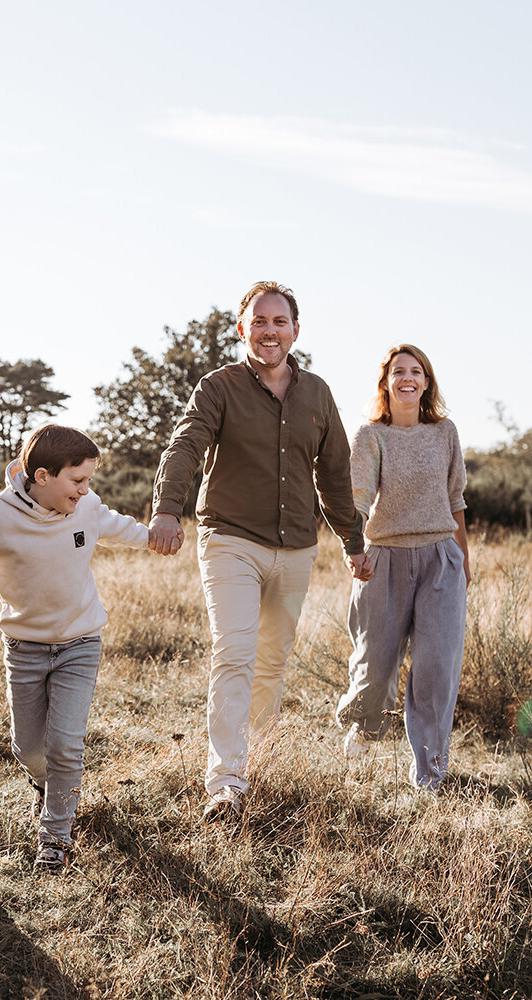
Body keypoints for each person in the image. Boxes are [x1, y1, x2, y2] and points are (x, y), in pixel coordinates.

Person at [148, 280, 369, 824]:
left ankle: (258, 762)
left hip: (295, 546)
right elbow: (186, 445)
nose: (270, 331)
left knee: (272, 660)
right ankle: (225, 781)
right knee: (235, 652)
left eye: (281, 322)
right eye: (260, 321)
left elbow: (335, 473)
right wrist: (165, 508)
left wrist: (354, 541)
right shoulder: (218, 387)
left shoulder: (317, 393)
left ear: (296, 330)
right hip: (230, 538)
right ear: (242, 328)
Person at [0, 425, 159, 873]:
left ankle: (55, 838)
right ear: (40, 476)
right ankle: (48, 787)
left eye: (89, 480)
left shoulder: (86, 507)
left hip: (80, 644)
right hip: (25, 648)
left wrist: (153, 536)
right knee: (28, 749)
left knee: (66, 746)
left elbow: (116, 526)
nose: (86, 490)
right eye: (77, 480)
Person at [335, 344, 470, 791]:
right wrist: (353, 547)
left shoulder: (445, 432)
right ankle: (364, 724)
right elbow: (356, 497)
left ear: (427, 382)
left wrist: (463, 560)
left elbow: (456, 501)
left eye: (416, 371)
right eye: (399, 371)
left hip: (440, 558)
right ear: (386, 382)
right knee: (375, 667)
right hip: (384, 560)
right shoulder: (371, 435)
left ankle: (429, 774)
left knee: (436, 668)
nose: (407, 378)